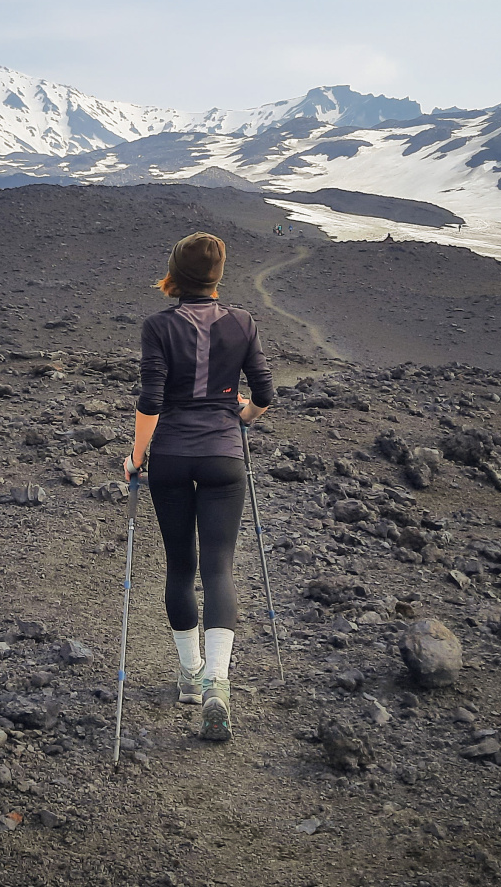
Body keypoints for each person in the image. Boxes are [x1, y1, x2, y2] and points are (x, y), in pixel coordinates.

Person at [126, 232, 274, 741]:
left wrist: (135, 459)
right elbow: (265, 392)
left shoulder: (158, 326)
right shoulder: (244, 322)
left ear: (175, 272)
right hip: (223, 458)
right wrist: (244, 417)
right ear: (219, 274)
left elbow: (151, 401)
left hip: (169, 457)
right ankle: (218, 682)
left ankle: (189, 679)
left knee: (180, 567)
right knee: (219, 568)